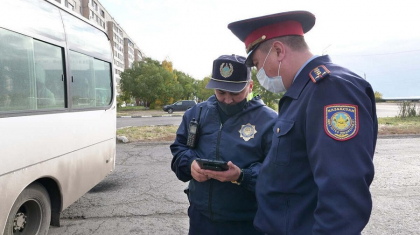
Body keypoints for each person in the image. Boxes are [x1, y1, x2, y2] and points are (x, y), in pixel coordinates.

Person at [228, 11, 378, 235]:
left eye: (258, 64)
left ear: (278, 51)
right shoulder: (303, 92)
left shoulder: (330, 89)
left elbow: (342, 195)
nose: (259, 73)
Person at [170, 54, 277, 235]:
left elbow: (278, 172)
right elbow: (179, 150)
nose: (227, 100)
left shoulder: (269, 121)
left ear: (249, 86)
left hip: (247, 223)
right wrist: (190, 165)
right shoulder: (196, 113)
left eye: (235, 93)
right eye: (221, 92)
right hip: (201, 220)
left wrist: (242, 176)